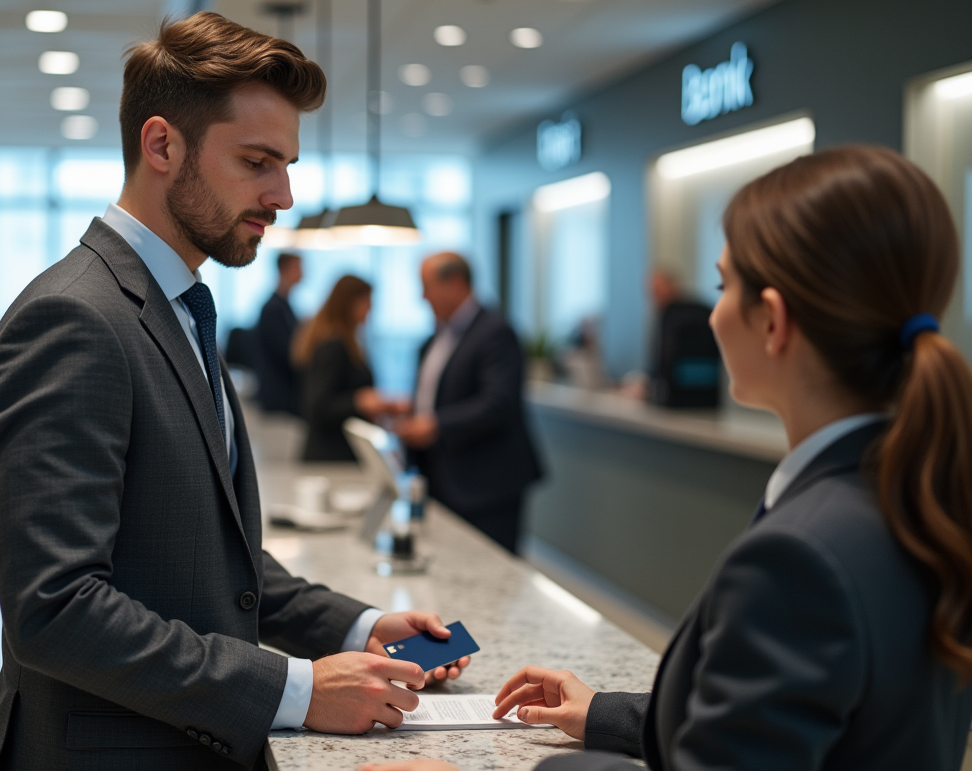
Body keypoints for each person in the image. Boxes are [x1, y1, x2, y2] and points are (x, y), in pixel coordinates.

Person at [364, 146, 972, 771]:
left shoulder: (802, 555)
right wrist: (604, 712)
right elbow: (771, 724)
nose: (711, 312)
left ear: (774, 322)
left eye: (723, 284)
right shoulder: (916, 492)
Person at [0, 13, 467, 771]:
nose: (286, 195)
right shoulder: (73, 318)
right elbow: (55, 609)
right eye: (259, 161)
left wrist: (354, 626)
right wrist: (296, 691)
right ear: (163, 145)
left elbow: (206, 563)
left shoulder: (177, 306)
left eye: (288, 163)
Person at [394, 253, 542, 554]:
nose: (422, 297)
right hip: (441, 477)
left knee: (491, 576)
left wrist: (434, 424)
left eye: (427, 286)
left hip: (486, 483)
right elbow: (435, 396)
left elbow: (498, 402)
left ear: (456, 283)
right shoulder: (435, 338)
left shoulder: (495, 332)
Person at [294, 275, 402, 462]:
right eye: (367, 301)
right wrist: (359, 401)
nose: (371, 308)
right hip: (331, 457)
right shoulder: (334, 346)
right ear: (350, 303)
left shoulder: (349, 342)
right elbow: (317, 406)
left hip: (336, 453)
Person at [646, 268, 721, 408]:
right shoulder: (704, 310)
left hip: (678, 399)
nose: (653, 295)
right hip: (710, 399)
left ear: (672, 286)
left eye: (657, 289)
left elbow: (663, 360)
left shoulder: (671, 315)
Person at [254, 251, 304, 415]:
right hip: (278, 398)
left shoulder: (285, 306)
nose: (303, 272)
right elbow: (286, 352)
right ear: (285, 269)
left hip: (286, 394)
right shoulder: (273, 309)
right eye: (298, 267)